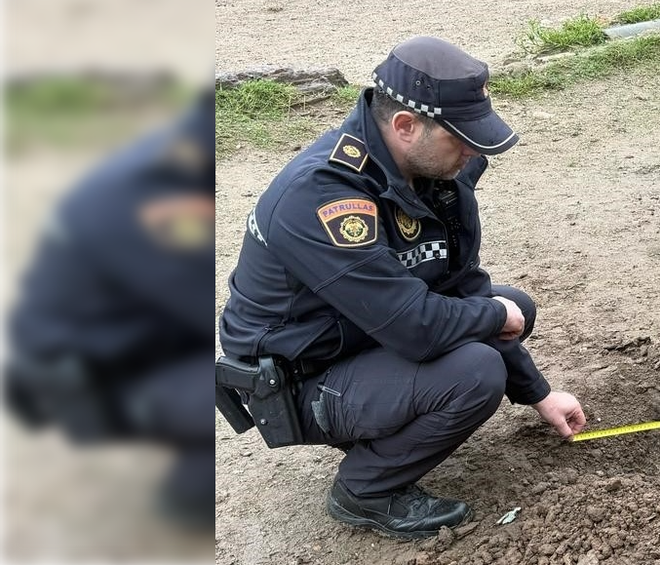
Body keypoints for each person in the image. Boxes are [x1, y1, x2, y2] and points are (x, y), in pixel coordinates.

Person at [217, 37, 586, 541]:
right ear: (406, 126)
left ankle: (385, 418)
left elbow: (461, 285)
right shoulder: (322, 195)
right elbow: (416, 330)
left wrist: (538, 393)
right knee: (476, 370)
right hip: (297, 374)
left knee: (511, 306)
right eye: (462, 137)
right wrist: (494, 320)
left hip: (360, 332)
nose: (474, 152)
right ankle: (365, 490)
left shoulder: (432, 173)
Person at [0, 90, 217, 530]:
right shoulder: (157, 195)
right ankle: (192, 490)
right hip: (85, 371)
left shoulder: (168, 161)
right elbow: (200, 309)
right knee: (260, 380)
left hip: (104, 341)